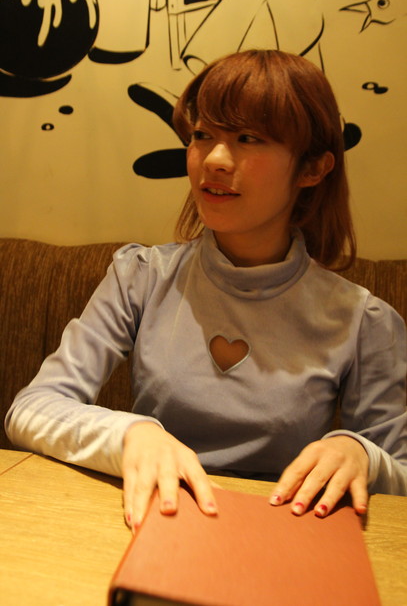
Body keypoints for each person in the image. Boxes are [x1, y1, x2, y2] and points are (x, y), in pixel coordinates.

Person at [5, 50, 406, 532]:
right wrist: (130, 433)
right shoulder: (141, 276)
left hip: (285, 533)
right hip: (152, 521)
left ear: (313, 169)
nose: (213, 159)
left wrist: (360, 453)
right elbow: (31, 409)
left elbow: (400, 472)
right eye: (201, 135)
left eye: (248, 139)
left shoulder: (364, 321)